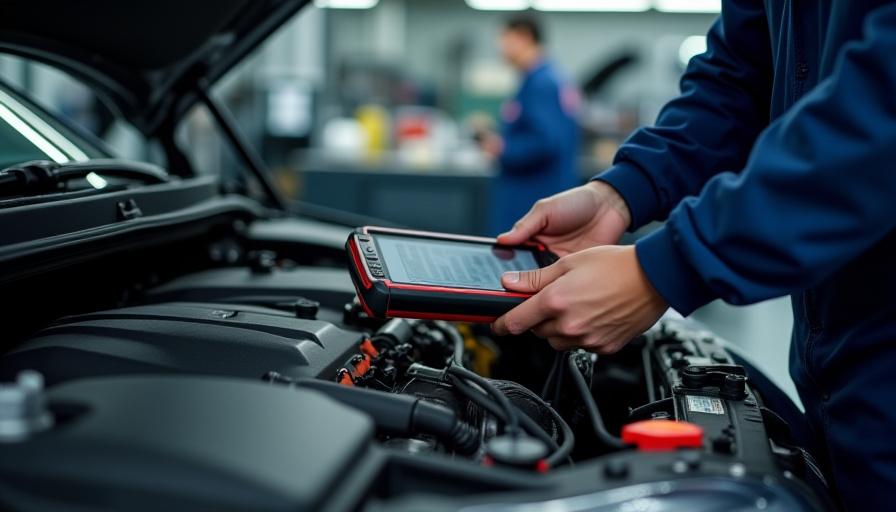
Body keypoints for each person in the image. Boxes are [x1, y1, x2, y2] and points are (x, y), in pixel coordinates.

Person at [491, 2, 896, 510]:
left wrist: (664, 268)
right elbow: (736, 78)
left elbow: (880, 114)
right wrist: (622, 194)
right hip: (836, 367)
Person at [479, 15, 580, 235]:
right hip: (533, 195)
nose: (500, 46)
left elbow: (546, 142)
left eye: (504, 38)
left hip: (532, 197)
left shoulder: (541, 84)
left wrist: (502, 148)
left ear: (523, 37)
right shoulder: (539, 80)